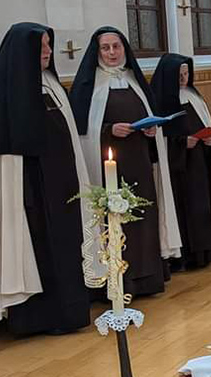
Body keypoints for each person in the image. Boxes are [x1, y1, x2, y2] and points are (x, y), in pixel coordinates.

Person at [0, 23, 99, 335]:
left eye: (48, 45)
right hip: (31, 194)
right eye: (42, 47)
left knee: (68, 250)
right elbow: (4, 158)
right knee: (41, 254)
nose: (48, 52)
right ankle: (42, 319)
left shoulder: (51, 85)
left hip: (63, 188)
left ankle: (72, 314)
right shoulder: (4, 95)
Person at [69, 27, 181, 296]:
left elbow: (150, 113)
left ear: (124, 49)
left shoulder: (134, 80)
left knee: (143, 217)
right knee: (115, 220)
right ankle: (119, 282)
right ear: (97, 52)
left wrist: (153, 130)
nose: (111, 53)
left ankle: (148, 279)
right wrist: (109, 130)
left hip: (140, 162)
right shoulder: (88, 86)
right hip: (108, 165)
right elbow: (82, 130)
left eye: (116, 47)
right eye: (105, 48)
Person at [150, 54, 211, 269]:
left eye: (186, 74)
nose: (183, 79)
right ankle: (185, 257)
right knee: (184, 211)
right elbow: (160, 140)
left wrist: (208, 140)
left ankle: (207, 252)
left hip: (200, 164)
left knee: (203, 208)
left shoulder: (194, 95)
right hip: (177, 170)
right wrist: (182, 143)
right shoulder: (160, 100)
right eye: (179, 75)